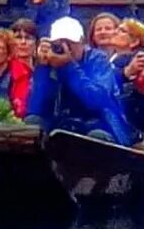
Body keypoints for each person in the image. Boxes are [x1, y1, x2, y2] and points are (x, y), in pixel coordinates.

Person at [39, 14, 133, 144]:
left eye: (70, 43)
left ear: (82, 41)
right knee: (33, 124)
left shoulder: (98, 60)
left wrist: (69, 66)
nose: (66, 48)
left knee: (95, 139)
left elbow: (96, 99)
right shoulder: (51, 62)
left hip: (100, 125)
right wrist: (43, 69)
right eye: (60, 44)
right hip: (62, 125)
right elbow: (37, 106)